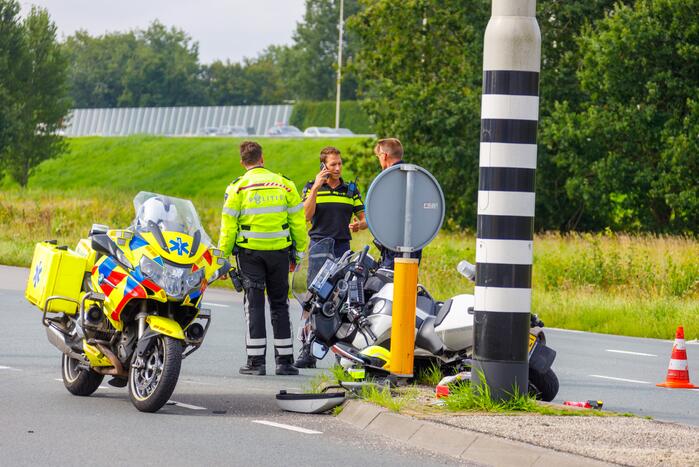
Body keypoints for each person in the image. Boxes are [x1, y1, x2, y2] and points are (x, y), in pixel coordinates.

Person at [219, 141, 308, 376]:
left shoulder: (237, 188)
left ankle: (256, 363)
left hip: (250, 255)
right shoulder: (285, 185)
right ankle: (285, 362)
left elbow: (227, 228)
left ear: (242, 162)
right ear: (262, 158)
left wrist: (222, 257)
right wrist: (298, 253)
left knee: (255, 305)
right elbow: (297, 223)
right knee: (280, 304)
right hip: (279, 253)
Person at [293, 146, 368, 368]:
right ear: (323, 165)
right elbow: (305, 216)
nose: (337, 168)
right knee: (313, 302)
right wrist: (316, 187)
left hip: (342, 251)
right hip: (318, 249)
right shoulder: (310, 186)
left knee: (342, 302)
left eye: (339, 163)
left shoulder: (351, 189)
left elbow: (364, 219)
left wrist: (359, 224)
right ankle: (307, 349)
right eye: (333, 164)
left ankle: (341, 354)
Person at [373, 138, 423, 269]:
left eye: (378, 156)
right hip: (415, 244)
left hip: (393, 245)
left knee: (390, 285)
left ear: (384, 156)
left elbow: (382, 213)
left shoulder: (387, 179)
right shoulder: (415, 176)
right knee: (409, 284)